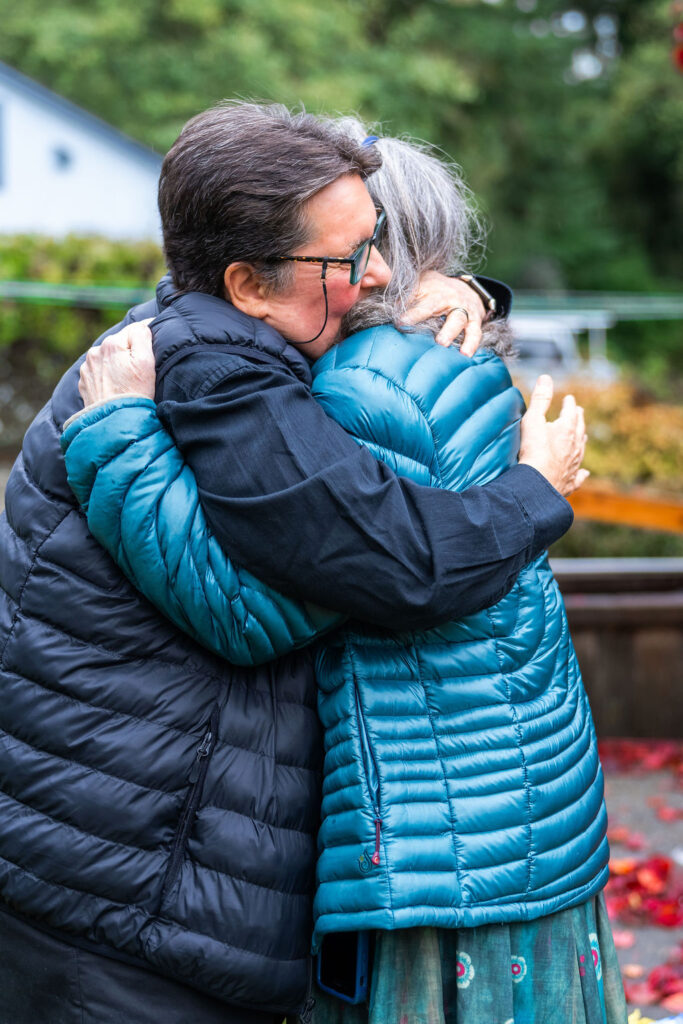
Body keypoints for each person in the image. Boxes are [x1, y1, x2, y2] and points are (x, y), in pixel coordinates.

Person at [0, 103, 586, 1024]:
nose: (383, 275)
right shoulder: (236, 385)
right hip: (127, 889)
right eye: (353, 259)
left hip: (122, 857)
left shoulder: (211, 339)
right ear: (247, 279)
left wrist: (466, 291)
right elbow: (282, 602)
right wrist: (534, 488)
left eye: (384, 247)